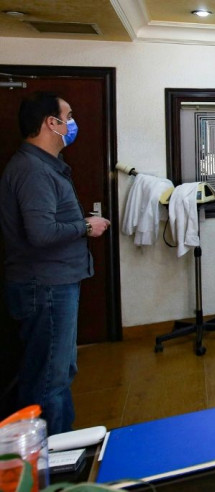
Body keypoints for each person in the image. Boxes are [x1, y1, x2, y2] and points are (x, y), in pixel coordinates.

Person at [0, 91, 111, 435]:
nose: (72, 122)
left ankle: (54, 453)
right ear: (52, 123)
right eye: (69, 115)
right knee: (48, 380)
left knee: (53, 372)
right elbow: (42, 232)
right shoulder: (32, 170)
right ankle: (53, 468)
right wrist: (86, 226)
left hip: (51, 281)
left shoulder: (42, 166)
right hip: (45, 285)